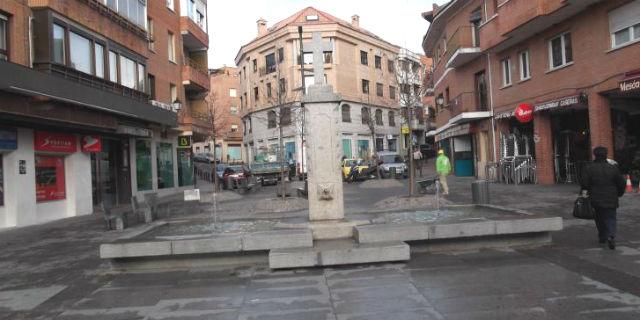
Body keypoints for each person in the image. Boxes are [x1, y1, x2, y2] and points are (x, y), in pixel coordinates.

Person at [580, 146, 625, 250]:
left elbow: (584, 183)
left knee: (599, 218)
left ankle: (602, 236)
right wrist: (619, 193)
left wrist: (584, 193)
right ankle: (611, 235)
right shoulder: (613, 168)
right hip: (611, 197)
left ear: (594, 155)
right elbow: (621, 183)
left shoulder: (589, 167)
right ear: (606, 155)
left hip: (595, 197)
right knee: (611, 217)